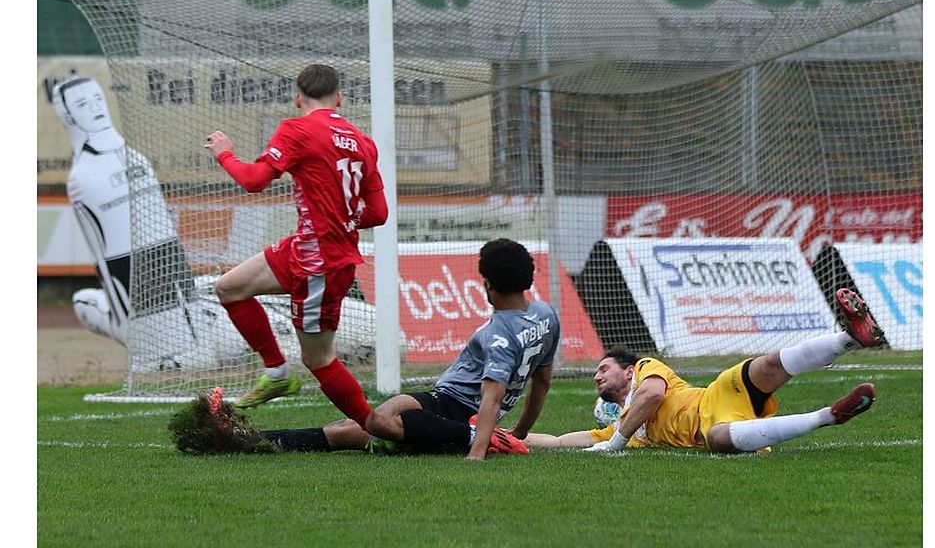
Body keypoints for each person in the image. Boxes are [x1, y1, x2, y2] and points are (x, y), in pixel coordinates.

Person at [171, 238, 559, 461]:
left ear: (488, 283)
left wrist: (476, 450)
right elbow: (541, 381)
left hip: (457, 411)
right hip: (453, 405)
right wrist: (521, 430)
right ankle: (246, 441)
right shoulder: (544, 315)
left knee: (374, 422)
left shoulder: (500, 335)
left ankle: (247, 441)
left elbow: (490, 397)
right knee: (351, 430)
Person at [203, 64, 388, 428]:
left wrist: (225, 153)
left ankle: (377, 428)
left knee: (319, 360)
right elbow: (379, 213)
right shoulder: (363, 142)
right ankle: (276, 372)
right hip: (307, 247)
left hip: (320, 262)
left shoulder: (297, 128)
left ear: (297, 98)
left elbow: (255, 181)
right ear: (339, 98)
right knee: (230, 288)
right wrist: (346, 219)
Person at [524, 287, 883, 454]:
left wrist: (618, 440)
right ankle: (830, 415)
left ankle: (849, 337)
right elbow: (558, 441)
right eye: (595, 375)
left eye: (603, 369)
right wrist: (504, 436)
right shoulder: (623, 427)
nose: (597, 375)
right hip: (711, 427)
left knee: (770, 365)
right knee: (718, 439)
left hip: (718, 394)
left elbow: (653, 395)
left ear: (629, 370)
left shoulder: (648, 370)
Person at [52, 76, 249, 370]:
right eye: (82, 104)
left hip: (169, 271)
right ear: (68, 115)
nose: (93, 108)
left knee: (217, 313)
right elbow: (104, 258)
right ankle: (153, 340)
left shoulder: (132, 157)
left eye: (96, 99)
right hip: (132, 284)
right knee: (85, 302)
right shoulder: (84, 176)